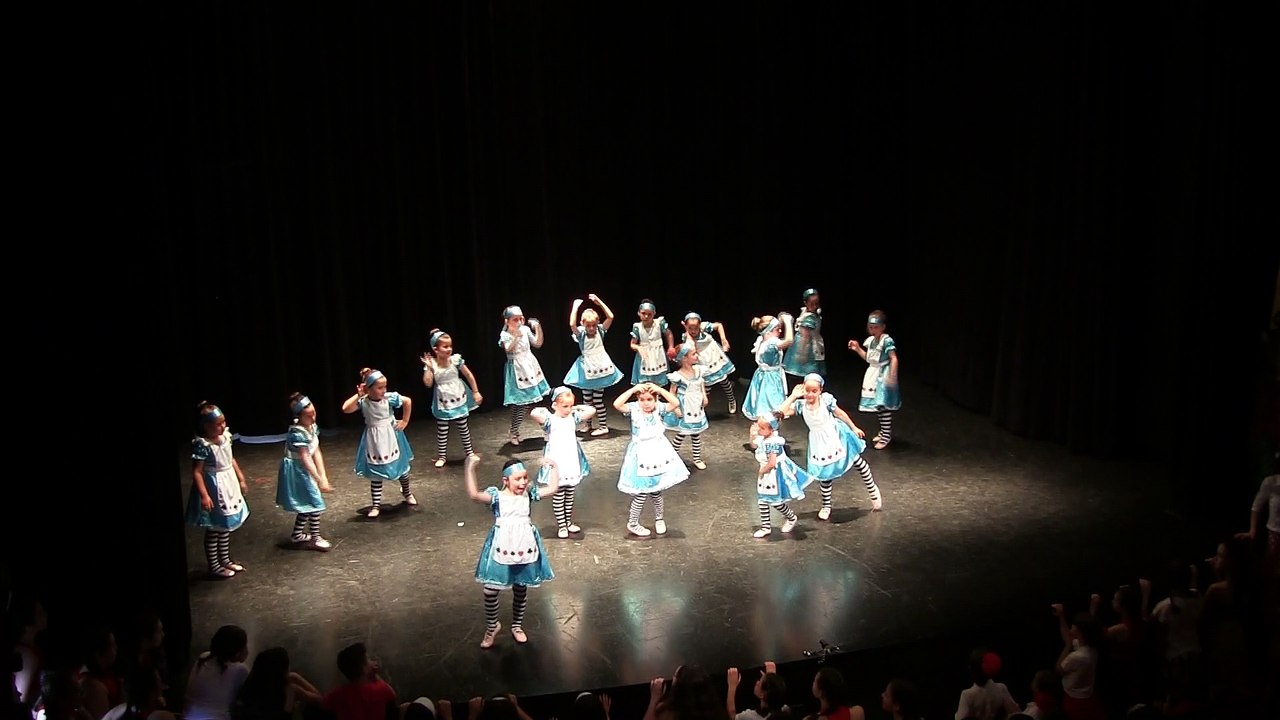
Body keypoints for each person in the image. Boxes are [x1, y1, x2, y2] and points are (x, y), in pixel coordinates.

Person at [465, 455, 558, 648]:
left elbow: (552, 489)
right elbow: (474, 495)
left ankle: (517, 625)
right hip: (503, 544)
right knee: (490, 590)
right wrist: (470, 468)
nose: (523, 482)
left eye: (525, 477)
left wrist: (554, 467)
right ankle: (492, 626)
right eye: (518, 479)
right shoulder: (497, 497)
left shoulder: (528, 494)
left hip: (524, 544)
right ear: (505, 481)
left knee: (521, 586)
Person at [779, 374, 883, 519]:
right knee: (825, 475)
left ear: (820, 390)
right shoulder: (801, 405)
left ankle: (873, 490)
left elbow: (840, 413)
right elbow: (779, 414)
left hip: (835, 436)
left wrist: (853, 427)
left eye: (814, 391)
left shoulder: (826, 400)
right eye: (807, 391)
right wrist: (792, 396)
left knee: (857, 462)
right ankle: (826, 505)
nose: (810, 394)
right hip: (818, 442)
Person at [613, 383, 689, 537]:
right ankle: (633, 522)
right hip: (641, 453)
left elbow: (675, 403)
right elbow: (617, 404)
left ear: (655, 400)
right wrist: (633, 390)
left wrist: (659, 389)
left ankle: (659, 518)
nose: (646, 403)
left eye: (649, 399)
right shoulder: (634, 409)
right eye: (642, 399)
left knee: (656, 490)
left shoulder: (659, 408)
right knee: (641, 491)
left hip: (658, 451)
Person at [185, 403, 250, 578]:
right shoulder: (203, 444)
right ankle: (214, 565)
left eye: (223, 422)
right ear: (206, 426)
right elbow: (197, 472)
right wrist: (204, 495)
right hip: (215, 486)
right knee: (215, 527)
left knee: (225, 526)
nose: (222, 426)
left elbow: (231, 459)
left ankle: (225, 559)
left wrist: (241, 478)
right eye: (217, 424)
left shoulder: (226, 438)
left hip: (228, 482)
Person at [341, 368, 415, 519]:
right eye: (379, 387)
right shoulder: (363, 401)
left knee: (402, 469)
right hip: (374, 440)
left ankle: (407, 493)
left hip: (391, 437)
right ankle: (376, 504)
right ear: (368, 389)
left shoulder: (389, 398)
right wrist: (358, 395)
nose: (383, 390)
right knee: (376, 472)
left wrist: (405, 421)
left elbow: (407, 401)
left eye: (384, 387)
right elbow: (346, 409)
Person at [529, 387, 595, 538]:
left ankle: (568, 521)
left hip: (570, 459)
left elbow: (591, 410)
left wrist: (577, 407)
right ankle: (561, 525)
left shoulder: (573, 417)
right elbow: (534, 413)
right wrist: (547, 409)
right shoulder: (550, 420)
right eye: (565, 406)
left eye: (570, 405)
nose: (568, 409)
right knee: (558, 493)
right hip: (557, 459)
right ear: (555, 405)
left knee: (569, 493)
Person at [275, 393, 334, 550]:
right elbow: (306, 457)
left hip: (305, 468)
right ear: (299, 416)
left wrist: (323, 476)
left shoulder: (312, 428)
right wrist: (318, 479)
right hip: (297, 470)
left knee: (307, 503)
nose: (313, 418)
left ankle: (297, 534)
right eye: (309, 416)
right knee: (314, 503)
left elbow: (316, 451)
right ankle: (315, 537)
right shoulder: (297, 433)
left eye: (313, 413)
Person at [420, 329, 483, 468]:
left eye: (450, 346)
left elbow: (468, 375)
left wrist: (476, 391)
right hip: (443, 399)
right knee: (443, 429)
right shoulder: (432, 364)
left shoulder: (455, 360)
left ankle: (469, 453)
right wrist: (429, 368)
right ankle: (442, 456)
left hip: (458, 395)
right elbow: (428, 383)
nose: (449, 349)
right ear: (435, 349)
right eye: (445, 346)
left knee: (463, 426)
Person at [564, 294, 624, 436]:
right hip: (587, 369)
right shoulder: (581, 335)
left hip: (601, 368)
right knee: (586, 400)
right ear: (583, 324)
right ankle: (588, 424)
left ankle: (603, 426)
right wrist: (575, 307)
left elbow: (610, 317)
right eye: (588, 325)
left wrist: (599, 302)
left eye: (593, 325)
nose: (591, 328)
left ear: (597, 323)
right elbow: (572, 324)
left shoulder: (601, 331)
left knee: (598, 400)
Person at [752, 414, 815, 538]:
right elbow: (753, 445)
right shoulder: (763, 439)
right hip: (766, 473)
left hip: (773, 475)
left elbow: (772, 463)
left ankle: (791, 517)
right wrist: (753, 434)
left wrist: (762, 471)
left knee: (776, 501)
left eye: (762, 428)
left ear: (771, 430)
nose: (759, 430)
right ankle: (766, 527)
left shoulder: (773, 443)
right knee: (762, 500)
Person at [847, 311, 900, 449]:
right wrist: (857, 348)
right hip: (873, 373)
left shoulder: (886, 340)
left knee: (884, 404)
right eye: (871, 327)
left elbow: (893, 358)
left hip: (883, 374)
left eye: (876, 327)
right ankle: (883, 432)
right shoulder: (871, 341)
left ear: (883, 327)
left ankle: (886, 434)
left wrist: (892, 376)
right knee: (878, 406)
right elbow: (869, 358)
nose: (873, 330)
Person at [498, 305, 550, 445]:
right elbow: (508, 349)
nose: (520, 322)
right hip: (517, 370)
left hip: (530, 366)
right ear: (507, 321)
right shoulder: (505, 335)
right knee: (520, 404)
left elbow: (538, 343)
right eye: (515, 319)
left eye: (521, 318)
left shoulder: (526, 330)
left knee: (530, 402)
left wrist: (537, 328)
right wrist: (515, 336)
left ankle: (544, 429)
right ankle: (514, 431)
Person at [742, 313, 794, 445]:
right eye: (777, 329)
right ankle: (764, 435)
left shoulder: (762, 340)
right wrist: (788, 322)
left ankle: (762, 434)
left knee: (764, 406)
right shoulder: (771, 343)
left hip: (763, 376)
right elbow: (789, 341)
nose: (780, 331)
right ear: (769, 331)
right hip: (770, 379)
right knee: (773, 407)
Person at [679, 312, 737, 414]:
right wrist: (687, 333)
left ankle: (731, 399)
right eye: (690, 328)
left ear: (699, 325)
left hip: (713, 355)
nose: (693, 331)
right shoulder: (686, 337)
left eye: (695, 328)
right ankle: (702, 408)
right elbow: (691, 345)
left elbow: (719, 325)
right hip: (702, 359)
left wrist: (723, 339)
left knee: (724, 381)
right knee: (706, 385)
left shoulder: (704, 327)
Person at [665, 342, 710, 469]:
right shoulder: (678, 376)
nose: (697, 356)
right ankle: (672, 456)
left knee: (696, 432)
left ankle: (697, 458)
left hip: (696, 405)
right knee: (683, 432)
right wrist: (676, 408)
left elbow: (701, 384)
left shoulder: (698, 370)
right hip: (686, 405)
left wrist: (704, 396)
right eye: (693, 354)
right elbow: (672, 392)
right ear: (684, 358)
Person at [782, 289, 826, 379]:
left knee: (808, 372)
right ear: (805, 303)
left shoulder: (810, 317)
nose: (815, 305)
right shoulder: (807, 315)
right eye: (811, 303)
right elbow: (804, 336)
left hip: (808, 346)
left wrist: (802, 354)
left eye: (816, 303)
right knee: (800, 372)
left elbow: (805, 337)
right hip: (802, 345)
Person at [630, 299, 675, 385]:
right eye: (643, 313)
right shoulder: (637, 327)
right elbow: (632, 344)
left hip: (658, 355)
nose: (646, 316)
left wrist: (671, 347)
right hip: (644, 356)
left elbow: (668, 334)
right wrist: (638, 347)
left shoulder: (659, 323)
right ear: (639, 313)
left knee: (659, 381)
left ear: (654, 314)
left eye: (649, 314)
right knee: (644, 382)